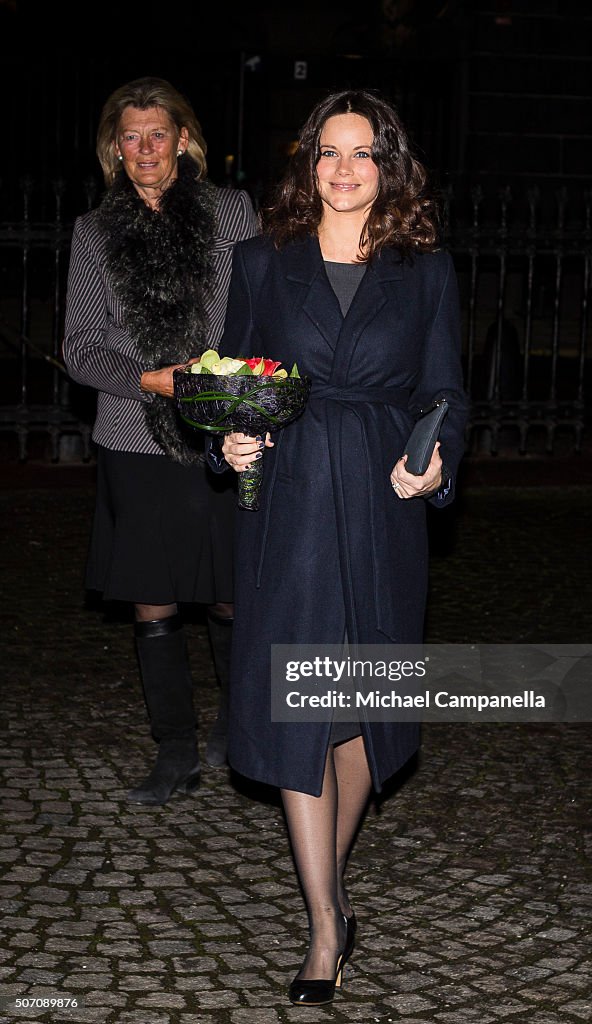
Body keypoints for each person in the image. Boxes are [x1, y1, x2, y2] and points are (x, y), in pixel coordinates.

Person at [208, 88, 468, 1006]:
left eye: (363, 152)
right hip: (288, 503)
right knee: (297, 710)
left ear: (389, 164)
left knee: (360, 718)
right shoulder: (259, 261)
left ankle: (332, 885)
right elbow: (231, 377)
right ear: (307, 163)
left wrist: (435, 462)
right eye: (328, 151)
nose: (345, 168)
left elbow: (447, 393)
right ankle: (324, 924)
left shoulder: (426, 272)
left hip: (382, 499)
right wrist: (228, 438)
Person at [62, 77, 259, 806]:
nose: (144, 148)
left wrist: (228, 390)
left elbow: (257, 312)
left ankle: (237, 731)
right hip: (132, 434)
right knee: (152, 599)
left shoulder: (231, 212)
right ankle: (174, 748)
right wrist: (152, 380)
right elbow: (80, 349)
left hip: (222, 431)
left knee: (230, 595)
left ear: (184, 139)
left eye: (158, 133)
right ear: (116, 147)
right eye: (130, 136)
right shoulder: (94, 230)